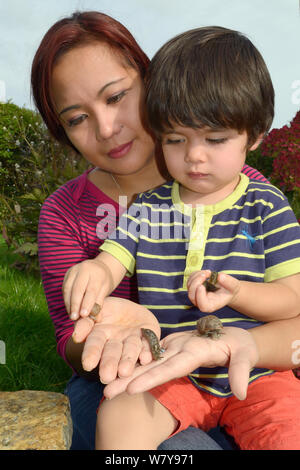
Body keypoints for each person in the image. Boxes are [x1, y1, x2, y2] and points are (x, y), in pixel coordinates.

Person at [31, 11, 300, 450]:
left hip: (259, 375)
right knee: (138, 423)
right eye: (77, 118)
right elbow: (111, 263)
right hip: (161, 373)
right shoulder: (130, 209)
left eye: (116, 96)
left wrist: (239, 313)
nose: (106, 128)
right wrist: (104, 296)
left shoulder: (258, 197)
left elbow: (293, 304)